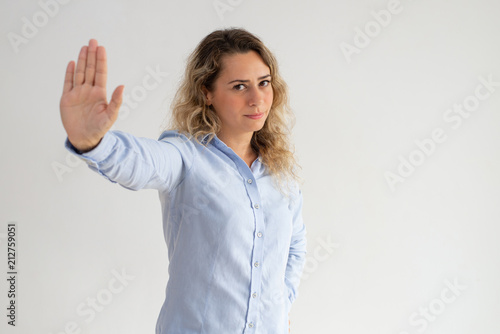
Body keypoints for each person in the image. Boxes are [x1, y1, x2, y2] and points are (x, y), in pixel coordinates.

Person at [60, 28, 307, 334]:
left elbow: (294, 247)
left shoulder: (279, 171)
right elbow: (141, 162)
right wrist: (93, 142)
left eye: (264, 82)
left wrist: (280, 307)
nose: (257, 99)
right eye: (239, 86)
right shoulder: (186, 157)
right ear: (207, 92)